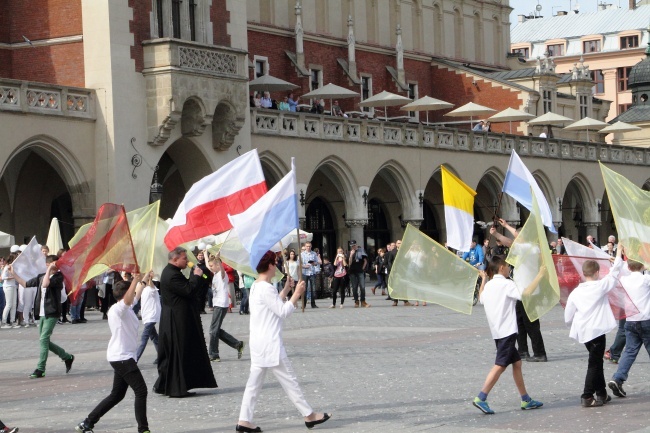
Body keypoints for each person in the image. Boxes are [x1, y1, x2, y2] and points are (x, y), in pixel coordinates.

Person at [236, 251, 330, 432]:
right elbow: (283, 311)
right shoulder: (266, 287)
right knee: (290, 380)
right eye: (276, 262)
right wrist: (297, 294)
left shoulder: (257, 286)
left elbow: (272, 305)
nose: (277, 265)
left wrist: (287, 289)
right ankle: (309, 415)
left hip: (259, 342)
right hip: (270, 343)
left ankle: (244, 420)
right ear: (270, 265)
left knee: (254, 385)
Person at [75, 274, 150, 433]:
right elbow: (130, 299)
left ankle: (87, 423)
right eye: (130, 290)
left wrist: (144, 279)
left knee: (117, 394)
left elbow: (136, 295)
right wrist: (134, 281)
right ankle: (143, 430)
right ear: (124, 294)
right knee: (141, 390)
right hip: (122, 357)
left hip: (123, 356)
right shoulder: (118, 309)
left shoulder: (127, 308)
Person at [472, 256, 545, 415]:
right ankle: (481, 397)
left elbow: (482, 297)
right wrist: (539, 276)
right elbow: (525, 295)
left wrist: (484, 279)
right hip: (507, 332)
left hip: (498, 332)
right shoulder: (507, 284)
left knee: (517, 363)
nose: (509, 268)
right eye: (507, 266)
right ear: (501, 268)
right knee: (500, 365)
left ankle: (525, 399)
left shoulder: (491, 285)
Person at [153, 247, 217, 397]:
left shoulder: (174, 273)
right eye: (184, 258)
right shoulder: (171, 275)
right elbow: (188, 290)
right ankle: (176, 388)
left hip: (178, 317)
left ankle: (165, 385)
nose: (187, 261)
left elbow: (197, 285)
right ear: (175, 259)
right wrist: (195, 276)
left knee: (179, 352)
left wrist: (203, 275)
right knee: (177, 352)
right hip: (175, 319)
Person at [565, 246, 624, 407]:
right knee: (594, 363)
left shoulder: (576, 292)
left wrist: (573, 321)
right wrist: (618, 254)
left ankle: (602, 393)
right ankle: (587, 395)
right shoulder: (600, 286)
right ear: (597, 273)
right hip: (597, 331)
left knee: (596, 361)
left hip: (584, 332)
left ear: (584, 273)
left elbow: (567, 315)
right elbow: (614, 273)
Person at [12, 255, 74, 378]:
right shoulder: (41, 276)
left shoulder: (58, 277)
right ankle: (67, 357)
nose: (56, 267)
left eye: (57, 265)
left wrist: (48, 271)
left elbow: (45, 284)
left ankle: (41, 369)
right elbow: (25, 284)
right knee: (44, 341)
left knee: (44, 339)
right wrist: (13, 273)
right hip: (41, 313)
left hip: (52, 312)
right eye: (54, 264)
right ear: (47, 264)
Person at [608, 258, 650, 398]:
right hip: (646, 319)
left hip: (631, 321)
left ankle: (618, 378)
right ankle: (618, 379)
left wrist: (617, 262)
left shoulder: (624, 280)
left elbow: (613, 274)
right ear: (642, 265)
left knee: (630, 351)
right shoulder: (645, 279)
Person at [207, 255, 244, 362]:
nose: (211, 268)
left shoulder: (222, 275)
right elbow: (208, 265)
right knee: (215, 330)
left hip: (221, 304)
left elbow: (222, 272)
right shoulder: (215, 273)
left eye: (212, 266)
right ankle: (237, 344)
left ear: (218, 265)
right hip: (218, 304)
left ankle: (214, 354)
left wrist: (219, 260)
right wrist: (205, 253)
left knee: (213, 330)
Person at [135, 273, 160, 364]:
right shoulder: (140, 285)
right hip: (146, 315)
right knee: (154, 337)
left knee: (144, 338)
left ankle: (135, 359)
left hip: (152, 315)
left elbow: (152, 287)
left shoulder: (151, 288)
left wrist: (148, 277)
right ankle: (162, 355)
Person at [348, 240, 369, 308]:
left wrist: (363, 268)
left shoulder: (361, 250)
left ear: (356, 245)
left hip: (360, 271)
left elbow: (365, 261)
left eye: (354, 245)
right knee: (354, 287)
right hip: (352, 272)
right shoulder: (349, 252)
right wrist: (351, 256)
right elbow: (349, 264)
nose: (353, 247)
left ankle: (363, 301)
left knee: (362, 287)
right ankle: (356, 301)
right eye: (351, 246)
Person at [301, 242, 321, 309]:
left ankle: (313, 304)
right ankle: (303, 304)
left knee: (313, 289)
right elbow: (299, 264)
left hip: (312, 272)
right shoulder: (302, 254)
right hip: (305, 273)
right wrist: (304, 266)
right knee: (304, 289)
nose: (308, 247)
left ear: (311, 246)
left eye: (309, 246)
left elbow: (317, 263)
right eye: (307, 246)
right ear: (305, 246)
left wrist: (313, 263)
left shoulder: (314, 253)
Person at [1, 253, 18, 328]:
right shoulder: (7, 267)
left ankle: (12, 320)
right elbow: (3, 277)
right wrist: (13, 277)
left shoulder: (13, 267)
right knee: (8, 304)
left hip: (13, 286)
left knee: (14, 304)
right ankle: (4, 322)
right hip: (8, 286)